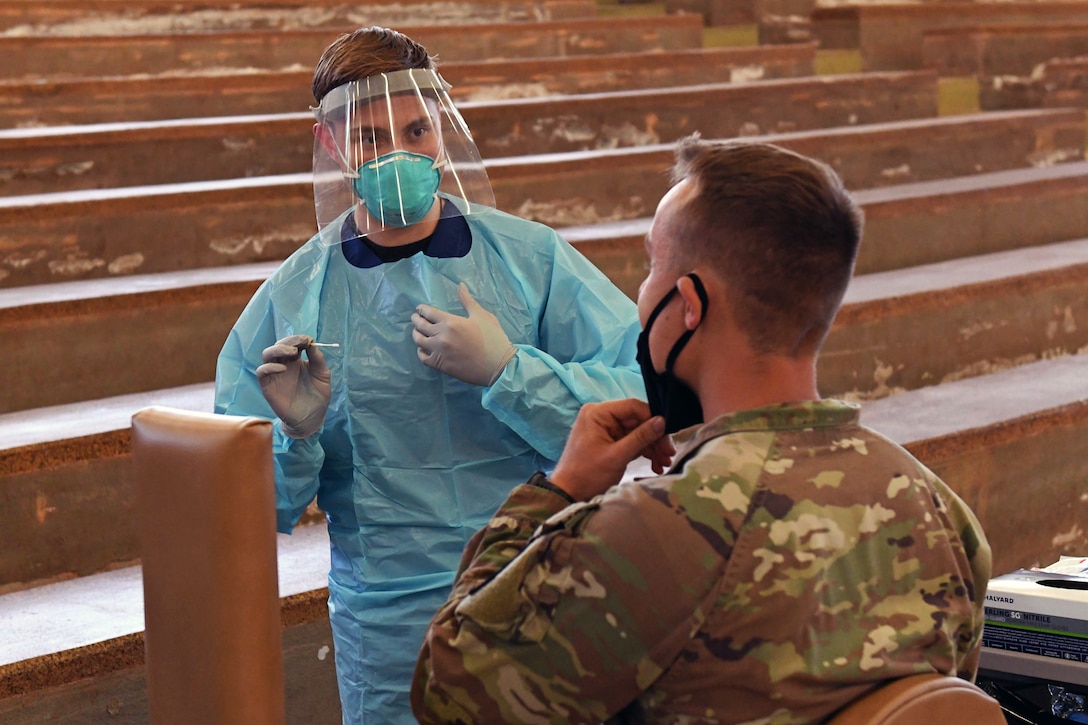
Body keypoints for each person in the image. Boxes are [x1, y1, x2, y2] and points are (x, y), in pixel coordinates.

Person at [412, 137, 993, 724]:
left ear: (688, 304)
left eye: (651, 266)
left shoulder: (663, 530)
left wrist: (556, 494)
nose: (642, 293)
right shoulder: (940, 512)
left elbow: (450, 690)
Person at [213, 26, 645, 725]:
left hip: (538, 586)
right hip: (391, 631)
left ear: (442, 125)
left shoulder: (530, 261)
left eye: (417, 129)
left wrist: (513, 372)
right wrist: (297, 435)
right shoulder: (296, 298)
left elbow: (637, 396)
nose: (401, 154)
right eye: (371, 139)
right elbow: (249, 509)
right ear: (330, 145)